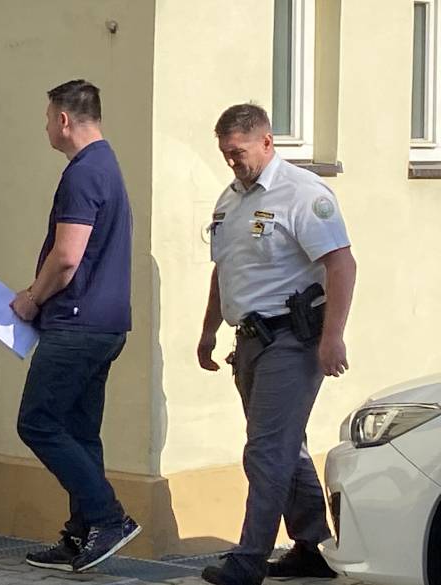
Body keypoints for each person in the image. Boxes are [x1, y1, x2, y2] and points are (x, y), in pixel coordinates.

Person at [197, 104, 356, 585]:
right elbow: (224, 270)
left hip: (293, 339)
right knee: (287, 447)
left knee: (265, 452)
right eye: (225, 153)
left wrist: (333, 337)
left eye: (238, 152)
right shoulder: (230, 199)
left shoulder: (302, 193)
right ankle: (312, 548)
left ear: (267, 142)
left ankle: (248, 561)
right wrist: (208, 331)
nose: (232, 162)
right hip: (249, 340)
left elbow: (341, 265)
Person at [10, 79, 140, 574]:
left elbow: (67, 257)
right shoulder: (107, 165)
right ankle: (82, 532)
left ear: (64, 120)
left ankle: (108, 518)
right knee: (81, 432)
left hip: (77, 324)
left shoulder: (83, 173)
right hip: (105, 324)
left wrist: (31, 299)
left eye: (48, 118)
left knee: (37, 422)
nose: (45, 126)